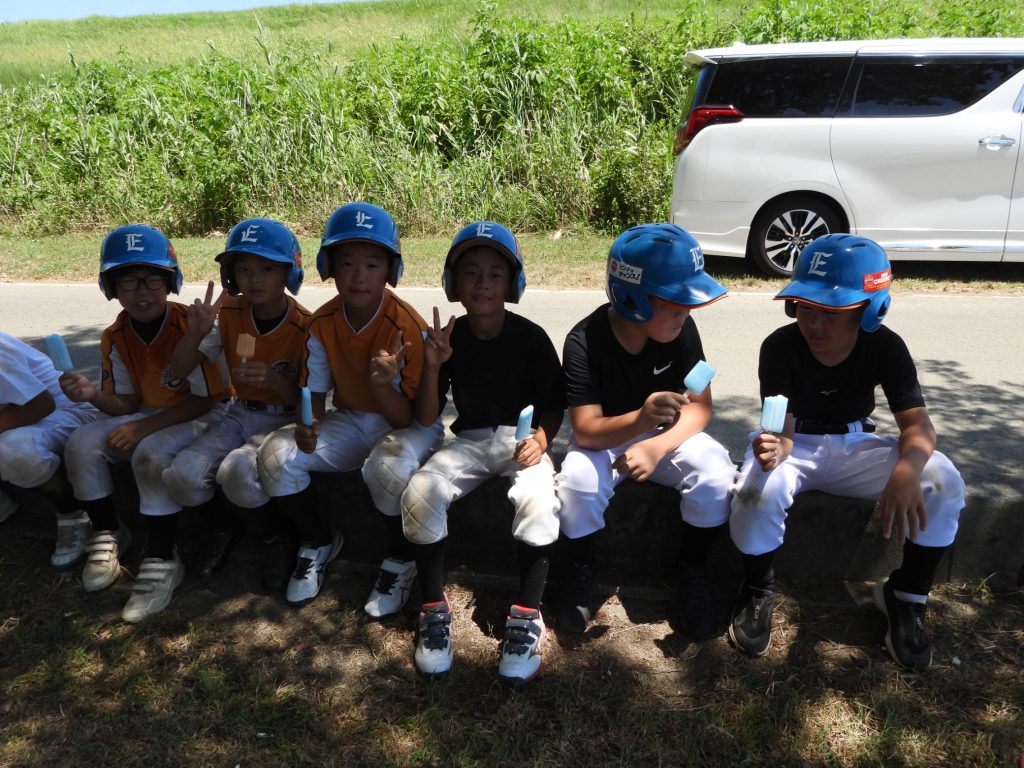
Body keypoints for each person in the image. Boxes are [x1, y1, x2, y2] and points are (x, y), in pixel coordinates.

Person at [728, 234, 965, 671]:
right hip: (796, 444)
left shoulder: (885, 346)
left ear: (870, 309)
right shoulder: (780, 346)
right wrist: (776, 445)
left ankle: (907, 596)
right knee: (757, 487)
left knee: (943, 480)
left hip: (856, 444)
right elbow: (782, 428)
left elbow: (917, 425)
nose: (814, 323)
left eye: (832, 312)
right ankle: (758, 588)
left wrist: (905, 471)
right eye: (805, 306)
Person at [399, 221, 564, 684]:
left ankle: (527, 615)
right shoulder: (449, 339)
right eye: (470, 273)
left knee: (539, 499)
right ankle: (433, 607)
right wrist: (433, 365)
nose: (483, 283)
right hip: (470, 441)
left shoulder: (530, 337)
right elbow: (426, 416)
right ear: (454, 282)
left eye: (495, 274)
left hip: (521, 441)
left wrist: (542, 441)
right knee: (420, 491)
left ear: (512, 283)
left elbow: (554, 404)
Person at [554, 223, 735, 641]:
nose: (685, 312)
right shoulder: (584, 340)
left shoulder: (681, 329)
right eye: (674, 303)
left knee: (716, 473)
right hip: (605, 437)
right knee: (578, 482)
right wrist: (640, 419)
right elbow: (586, 430)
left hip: (664, 437)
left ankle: (693, 570)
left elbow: (700, 406)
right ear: (633, 297)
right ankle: (577, 569)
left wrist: (656, 445)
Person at [257, 202, 442, 608]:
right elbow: (314, 393)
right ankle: (318, 541)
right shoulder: (322, 321)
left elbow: (409, 418)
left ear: (390, 270)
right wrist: (308, 425)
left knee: (387, 468)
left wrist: (382, 386)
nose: (359, 276)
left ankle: (401, 558)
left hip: (408, 424)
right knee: (275, 455)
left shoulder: (406, 325)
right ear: (329, 267)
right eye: (347, 263)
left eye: (372, 265)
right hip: (353, 418)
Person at [60, 224, 230, 622]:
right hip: (151, 415)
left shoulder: (193, 324)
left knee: (150, 453)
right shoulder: (116, 335)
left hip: (205, 414)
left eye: (153, 279)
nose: (142, 291)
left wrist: (143, 428)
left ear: (170, 282)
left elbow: (205, 400)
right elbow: (126, 404)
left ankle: (162, 557)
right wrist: (93, 395)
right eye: (128, 280)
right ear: (111, 287)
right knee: (81, 442)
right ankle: (107, 530)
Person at [163, 218, 311, 587]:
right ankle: (224, 524)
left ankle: (275, 536)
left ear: (288, 272)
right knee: (183, 473)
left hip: (283, 418)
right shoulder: (228, 313)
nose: (254, 279)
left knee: (239, 471)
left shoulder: (305, 327)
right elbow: (180, 369)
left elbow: (310, 405)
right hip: (239, 410)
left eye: (267, 269)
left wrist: (276, 382)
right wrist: (195, 333)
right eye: (243, 269)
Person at [0, 332, 98, 566]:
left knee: (15, 451)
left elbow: (41, 404)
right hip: (16, 416)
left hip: (63, 410)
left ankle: (72, 512)